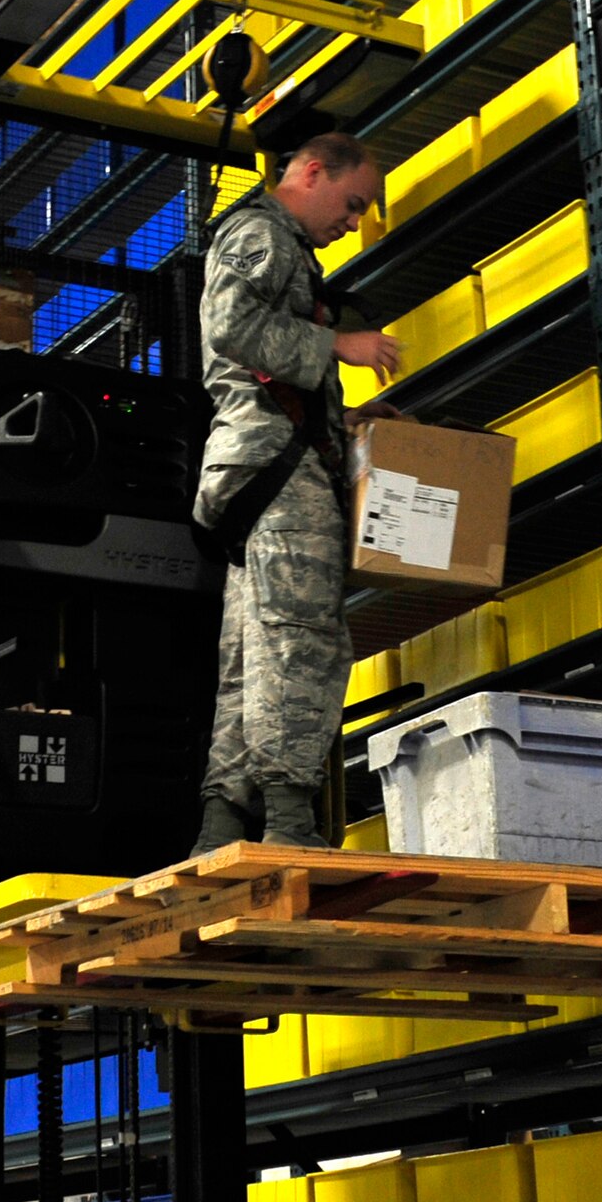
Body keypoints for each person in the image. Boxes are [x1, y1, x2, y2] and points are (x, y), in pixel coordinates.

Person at [191, 132, 399, 853]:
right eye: (351, 203)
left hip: (257, 470)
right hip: (276, 472)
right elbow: (231, 326)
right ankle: (286, 824)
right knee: (302, 643)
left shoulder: (278, 248)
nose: (353, 222)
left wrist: (344, 421)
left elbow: (263, 370)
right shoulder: (262, 234)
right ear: (311, 172)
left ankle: (222, 824)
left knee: (253, 652)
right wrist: (339, 346)